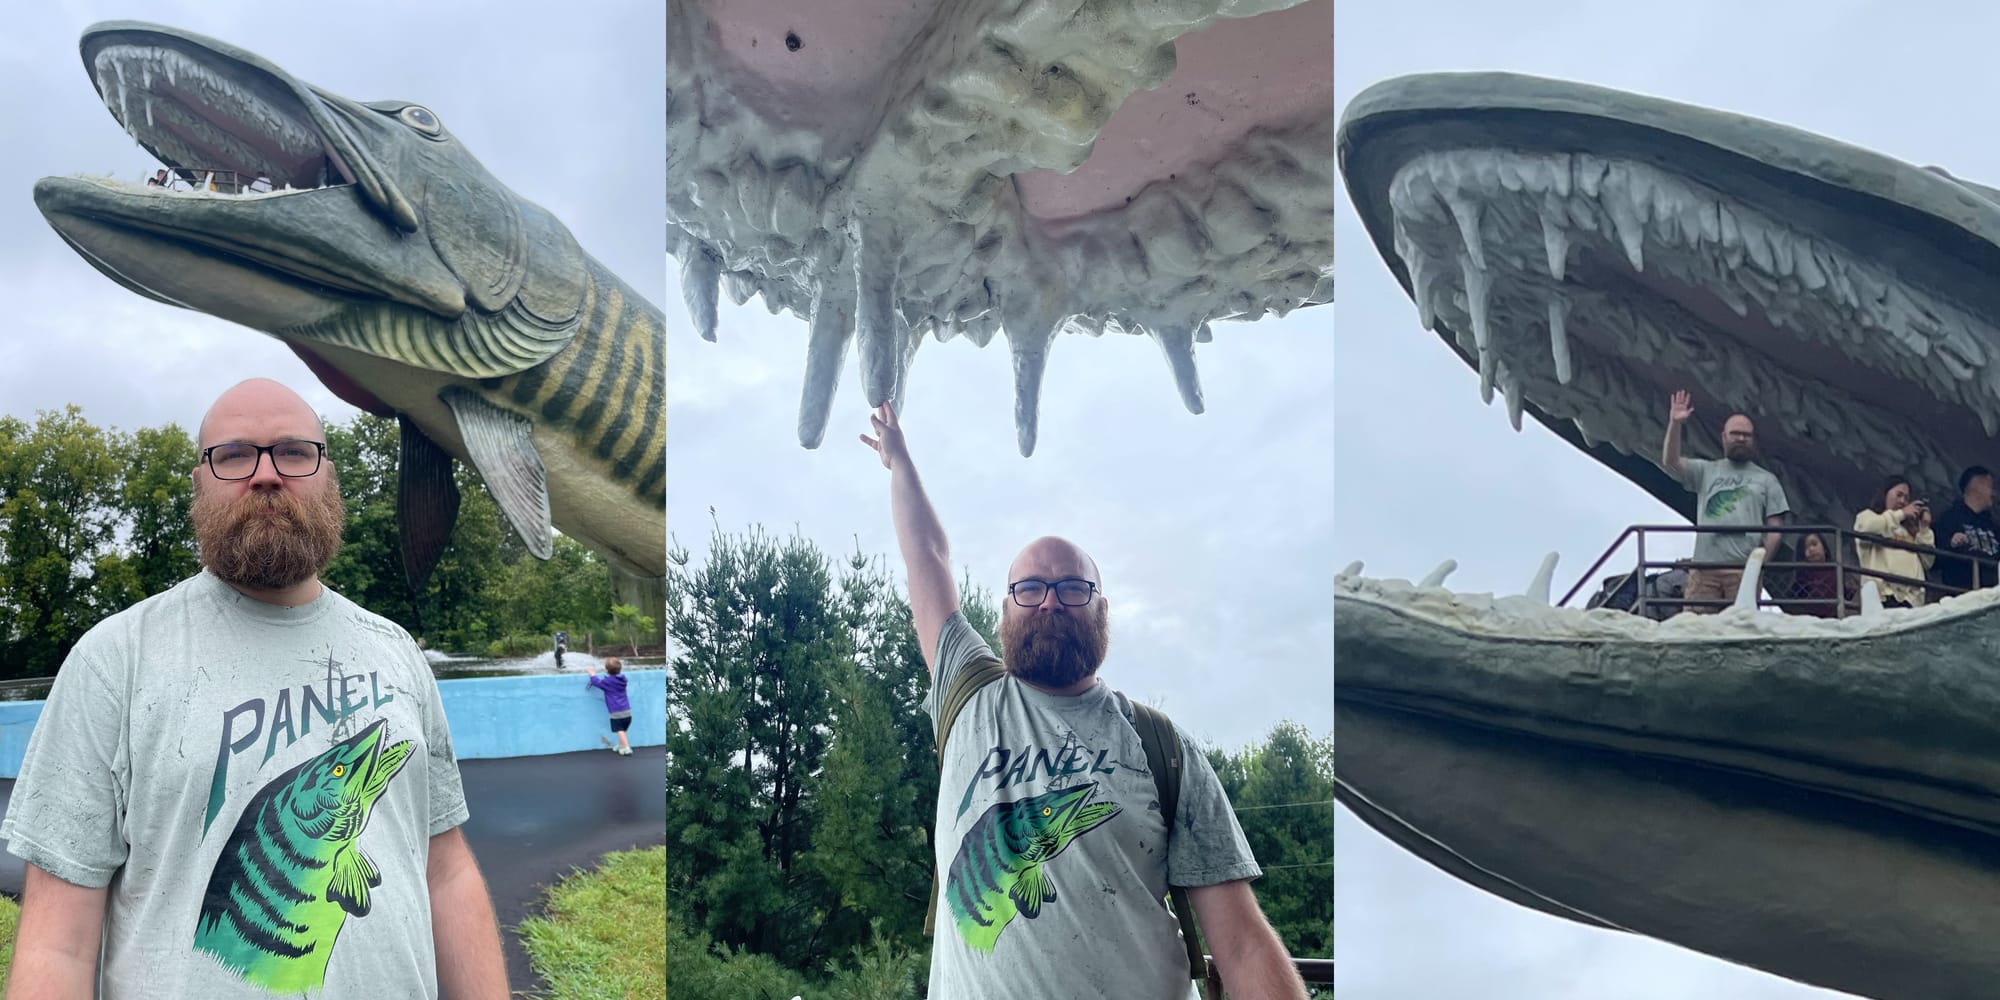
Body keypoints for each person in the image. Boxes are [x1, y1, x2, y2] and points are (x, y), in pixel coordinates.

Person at [1, 379, 509, 999]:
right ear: (200, 484)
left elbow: (445, 872)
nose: (266, 475)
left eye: (294, 452)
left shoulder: (396, 650)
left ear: (328, 477)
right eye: (235, 454)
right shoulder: (113, 660)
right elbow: (59, 945)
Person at [859, 402, 1307, 1000]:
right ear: (1005, 608)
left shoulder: (1164, 748)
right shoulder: (968, 695)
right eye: (1030, 588)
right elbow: (927, 555)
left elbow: (1243, 944)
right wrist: (900, 463)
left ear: (1102, 609)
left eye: (1073, 587)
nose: (1050, 602)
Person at [1658, 390, 1790, 612]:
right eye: (1735, 433)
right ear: (1724, 437)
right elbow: (1671, 462)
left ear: (1753, 440)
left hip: (1742, 569)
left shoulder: (1767, 480)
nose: (1741, 439)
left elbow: (1776, 527)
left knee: (1741, 626)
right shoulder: (1706, 470)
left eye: (1746, 435)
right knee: (1696, 625)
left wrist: (1759, 563)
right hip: (1704, 569)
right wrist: (1675, 424)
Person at [1853, 475, 1936, 608]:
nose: (1902, 501)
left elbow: (1928, 562)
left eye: (1906, 498)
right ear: (1885, 494)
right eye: (1899, 495)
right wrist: (1900, 514)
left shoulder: (1911, 531)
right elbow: (1866, 527)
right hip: (1883, 596)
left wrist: (1924, 528)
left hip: (1911, 601)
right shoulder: (1868, 516)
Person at [1932, 465, 2000, 596]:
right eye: (1990, 487)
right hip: (1961, 596)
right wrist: (1951, 545)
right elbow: (1933, 560)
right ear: (1977, 486)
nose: (1994, 493)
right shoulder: (1948, 520)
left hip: (1993, 597)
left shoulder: (1993, 526)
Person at [1777, 532, 1852, 618]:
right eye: (1805, 548)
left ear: (1824, 548)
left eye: (1814, 544)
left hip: (1836, 618)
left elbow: (1849, 595)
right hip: (1810, 620)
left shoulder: (1837, 570)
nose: (1811, 549)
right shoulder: (1802, 576)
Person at [585, 657, 633, 755]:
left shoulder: (608, 682)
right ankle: (621, 745)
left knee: (619, 730)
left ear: (607, 670)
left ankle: (627, 747)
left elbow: (597, 683)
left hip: (616, 711)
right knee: (623, 730)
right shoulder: (623, 680)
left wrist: (592, 675)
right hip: (627, 710)